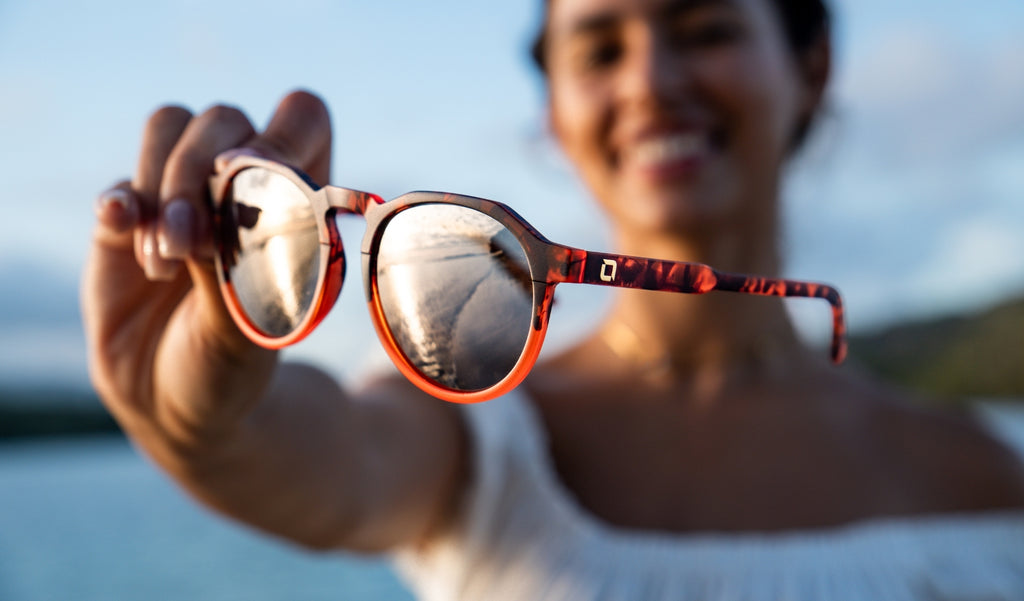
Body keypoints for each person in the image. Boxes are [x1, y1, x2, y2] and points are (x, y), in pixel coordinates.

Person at [83, 0, 1024, 598]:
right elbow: (327, 461)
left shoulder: (984, 471)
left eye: (706, 30)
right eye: (599, 48)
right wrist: (197, 421)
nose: (652, 82)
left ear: (809, 67)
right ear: (555, 113)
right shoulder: (472, 423)